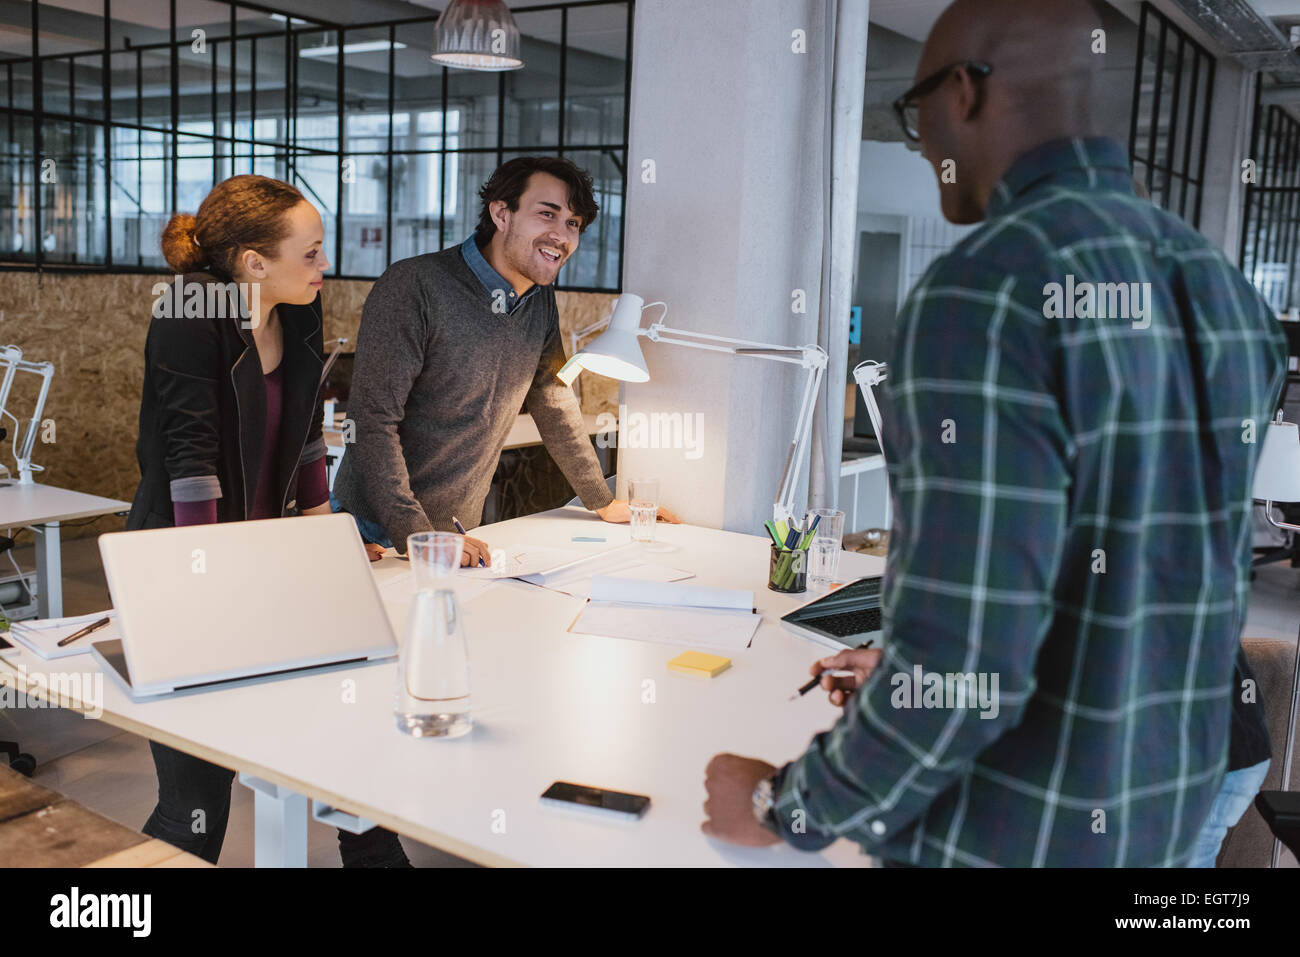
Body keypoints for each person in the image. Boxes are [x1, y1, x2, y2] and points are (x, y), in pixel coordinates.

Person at [701, 0, 1285, 866]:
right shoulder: (1225, 291)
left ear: (965, 93)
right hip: (1165, 791)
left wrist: (780, 802)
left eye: (916, 112)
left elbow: (968, 672)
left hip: (1012, 828)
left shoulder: (987, 289)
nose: (917, 140)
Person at [128, 174, 406, 867]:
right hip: (185, 571)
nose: (324, 266)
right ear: (254, 261)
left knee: (354, 767)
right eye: (309, 253)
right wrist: (214, 576)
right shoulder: (190, 312)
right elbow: (191, 462)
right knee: (197, 807)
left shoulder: (301, 311)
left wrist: (328, 541)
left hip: (268, 568)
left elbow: (307, 439)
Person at [332, 155, 678, 570]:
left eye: (573, 224)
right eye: (546, 214)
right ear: (501, 213)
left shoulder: (538, 300)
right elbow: (371, 422)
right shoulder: (414, 286)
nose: (561, 235)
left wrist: (601, 501)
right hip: (373, 534)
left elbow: (552, 397)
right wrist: (417, 536)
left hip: (457, 534)